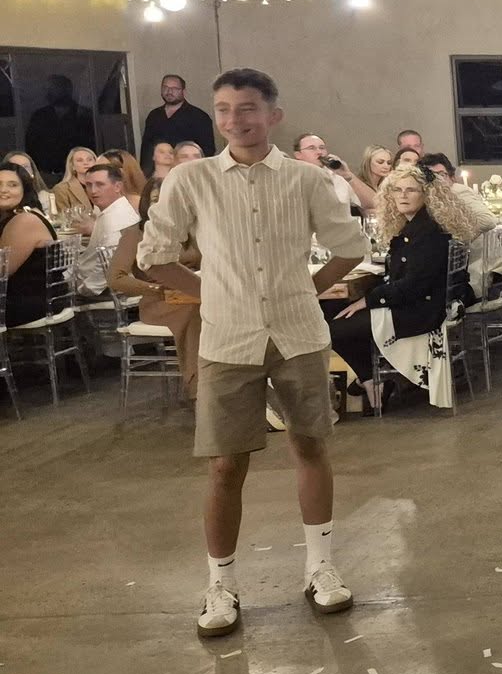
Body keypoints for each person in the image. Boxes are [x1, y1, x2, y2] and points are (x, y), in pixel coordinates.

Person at [137, 68, 368, 638]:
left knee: (310, 445)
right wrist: (208, 291)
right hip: (227, 337)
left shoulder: (306, 180)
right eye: (223, 109)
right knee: (225, 464)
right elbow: (154, 255)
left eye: (246, 108)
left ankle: (320, 567)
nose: (234, 119)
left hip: (298, 333)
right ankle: (221, 583)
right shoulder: (191, 180)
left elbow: (349, 246)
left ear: (273, 115)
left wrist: (307, 287)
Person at [328, 167, 453, 410]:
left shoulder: (428, 232)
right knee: (334, 311)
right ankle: (372, 381)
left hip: (420, 312)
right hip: (416, 303)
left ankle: (372, 381)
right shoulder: (415, 226)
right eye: (397, 190)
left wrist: (368, 300)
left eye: (411, 190)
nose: (403, 195)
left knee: (332, 329)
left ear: (425, 194)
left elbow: (413, 286)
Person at [110, 179, 203, 395]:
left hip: (193, 293)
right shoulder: (135, 234)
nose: (162, 205)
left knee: (221, 308)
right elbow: (116, 278)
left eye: (168, 199)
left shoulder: (190, 231)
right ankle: (198, 385)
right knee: (197, 312)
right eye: (155, 200)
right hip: (158, 300)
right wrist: (155, 290)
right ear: (146, 204)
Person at [0, 160, 60, 327]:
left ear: (25, 190)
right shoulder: (10, 217)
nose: (3, 190)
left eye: (12, 185)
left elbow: (2, 271)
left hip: (29, 303)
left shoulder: (24, 220)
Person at [77, 162, 141, 298]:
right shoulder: (113, 211)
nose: (93, 191)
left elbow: (107, 270)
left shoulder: (116, 219)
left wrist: (81, 291)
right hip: (98, 285)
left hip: (107, 295)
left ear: (118, 187)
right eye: (88, 185)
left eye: (100, 184)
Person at [26, 74, 96, 179]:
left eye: (54, 89)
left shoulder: (84, 115)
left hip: (79, 174)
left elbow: (92, 145)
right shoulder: (40, 116)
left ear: (68, 90)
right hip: (46, 175)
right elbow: (31, 146)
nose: (49, 93)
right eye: (48, 89)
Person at [140, 73, 216, 160]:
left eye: (175, 88)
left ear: (184, 91)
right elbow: (146, 149)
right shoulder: (153, 116)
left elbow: (208, 151)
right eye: (165, 87)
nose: (169, 92)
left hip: (187, 167)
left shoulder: (200, 117)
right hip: (159, 167)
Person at [292, 133, 372, 210]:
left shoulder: (338, 177)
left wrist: (349, 176)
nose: (319, 152)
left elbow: (372, 204)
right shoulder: (291, 178)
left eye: (322, 148)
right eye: (311, 148)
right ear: (298, 155)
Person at [49, 145, 99, 217]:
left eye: (89, 159)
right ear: (72, 166)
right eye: (80, 160)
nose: (86, 163)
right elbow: (62, 218)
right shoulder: (62, 189)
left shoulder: (106, 185)